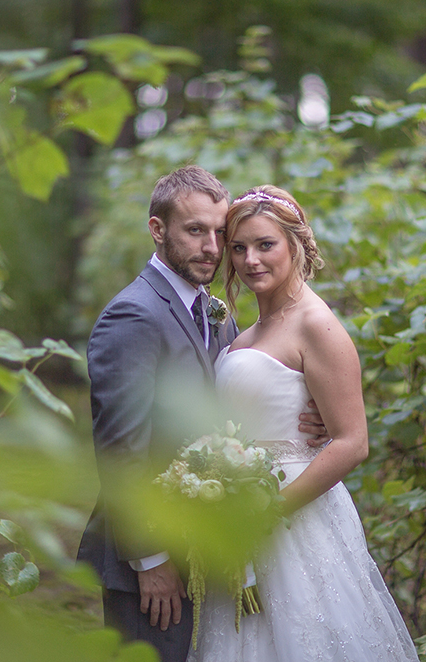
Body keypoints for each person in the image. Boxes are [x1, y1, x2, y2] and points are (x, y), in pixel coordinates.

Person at [77, 167, 326, 662]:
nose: (212, 247)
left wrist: (304, 410)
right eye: (195, 231)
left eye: (219, 233)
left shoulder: (214, 311)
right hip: (148, 561)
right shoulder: (135, 315)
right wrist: (150, 560)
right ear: (157, 230)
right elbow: (120, 448)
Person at [189, 185, 420, 662]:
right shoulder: (246, 331)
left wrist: (267, 511)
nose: (250, 259)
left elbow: (352, 442)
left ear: (296, 244)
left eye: (265, 244)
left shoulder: (317, 324)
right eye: (239, 247)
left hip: (293, 513)